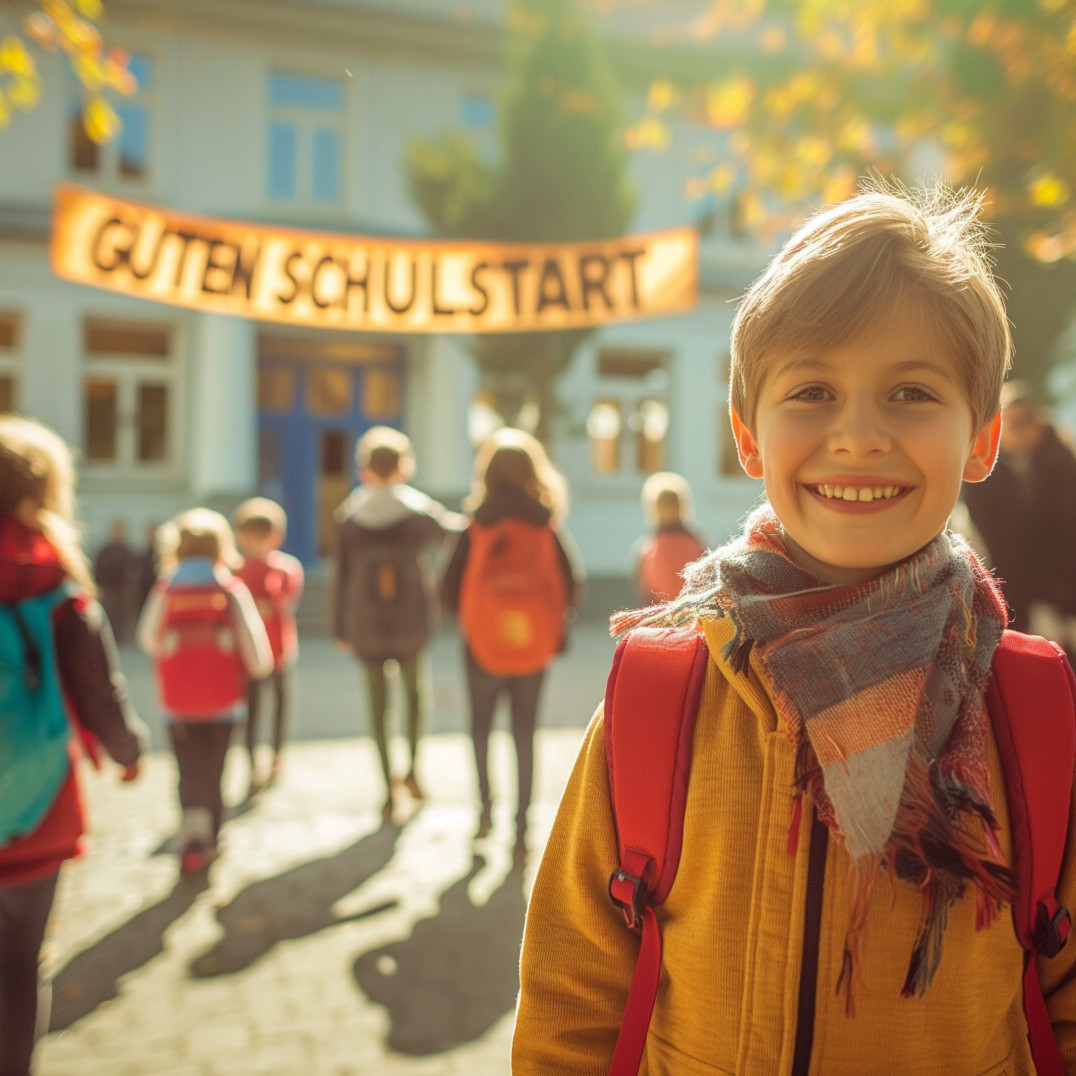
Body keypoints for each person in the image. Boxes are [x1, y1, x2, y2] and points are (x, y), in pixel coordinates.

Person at [512, 182, 1076, 1070]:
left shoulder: (1035, 712)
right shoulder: (663, 693)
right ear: (747, 434)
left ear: (983, 436)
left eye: (912, 393)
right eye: (812, 390)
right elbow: (571, 1003)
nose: (856, 435)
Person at [0, 414, 145, 1076]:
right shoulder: (56, 582)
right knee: (22, 960)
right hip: (37, 804)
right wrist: (128, 751)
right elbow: (98, 689)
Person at [441, 428, 584, 868]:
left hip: (482, 643)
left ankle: (485, 813)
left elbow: (446, 588)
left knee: (481, 728)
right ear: (532, 471)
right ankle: (522, 833)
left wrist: (476, 617)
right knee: (525, 734)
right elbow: (572, 583)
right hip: (533, 643)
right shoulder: (545, 522)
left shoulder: (476, 523)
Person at [332, 426, 464, 823]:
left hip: (365, 617)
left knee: (377, 705)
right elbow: (456, 536)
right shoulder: (419, 511)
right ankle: (413, 770)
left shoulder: (349, 516)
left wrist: (340, 627)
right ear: (404, 467)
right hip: (412, 614)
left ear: (365, 469)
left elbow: (340, 576)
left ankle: (386, 784)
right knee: (415, 698)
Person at [137, 508, 272, 873]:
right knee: (216, 769)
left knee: (187, 767)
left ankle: (190, 830)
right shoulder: (230, 588)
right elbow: (259, 655)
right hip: (223, 699)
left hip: (177, 701)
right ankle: (212, 836)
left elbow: (147, 637)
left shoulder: (167, 587)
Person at [963, 380, 1076, 655]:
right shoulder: (982, 475)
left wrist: (1060, 597)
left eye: (1025, 421)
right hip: (1019, 592)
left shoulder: (1062, 460)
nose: (1020, 431)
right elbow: (997, 541)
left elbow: (1069, 532)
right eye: (1010, 424)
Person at [233, 497, 304, 796]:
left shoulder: (285, 568)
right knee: (252, 708)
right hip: (249, 652)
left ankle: (276, 755)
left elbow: (283, 602)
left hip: (280, 649)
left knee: (279, 704)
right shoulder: (235, 569)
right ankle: (251, 761)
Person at [630, 470, 707, 603]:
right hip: (669, 613)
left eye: (670, 504)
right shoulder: (648, 547)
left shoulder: (693, 543)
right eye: (664, 505)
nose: (667, 510)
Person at [92, 518, 134, 645]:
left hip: (122, 591)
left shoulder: (127, 551)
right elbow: (98, 569)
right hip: (107, 589)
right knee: (108, 614)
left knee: (121, 616)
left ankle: (120, 638)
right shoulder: (105, 551)